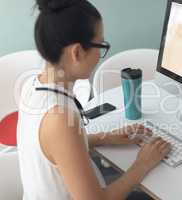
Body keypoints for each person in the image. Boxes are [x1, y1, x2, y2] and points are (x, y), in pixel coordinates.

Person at [17, 0, 171, 199]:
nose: (100, 54)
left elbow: (56, 149)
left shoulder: (32, 85)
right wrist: (142, 164)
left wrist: (104, 138)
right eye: (101, 45)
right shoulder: (59, 119)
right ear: (77, 52)